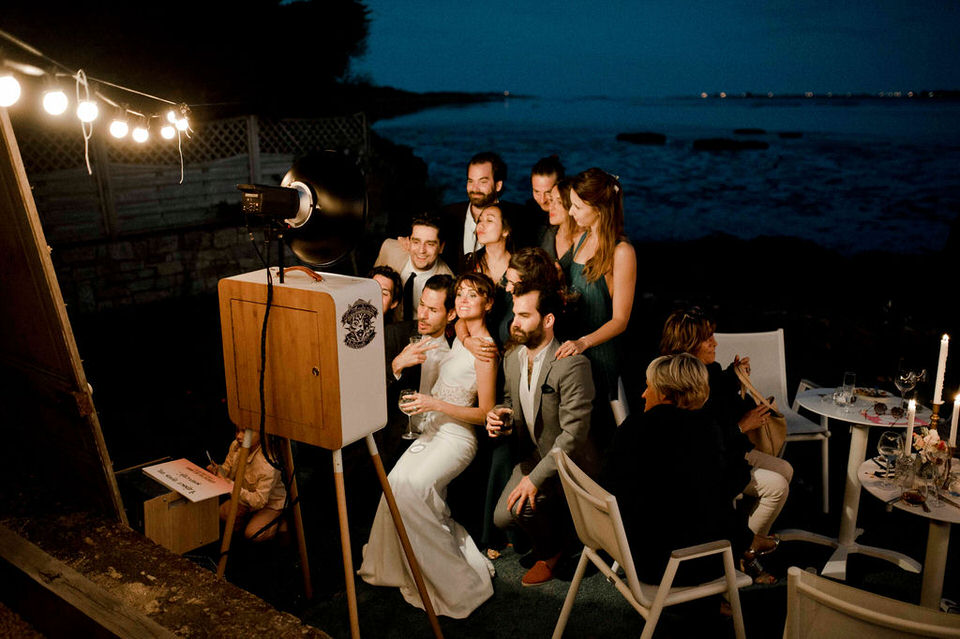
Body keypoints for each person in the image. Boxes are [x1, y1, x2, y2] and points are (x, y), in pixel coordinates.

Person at [359, 272, 499, 619]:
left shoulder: (485, 349)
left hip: (458, 437)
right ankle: (391, 567)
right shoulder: (464, 336)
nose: (464, 300)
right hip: (431, 432)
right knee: (395, 486)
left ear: (488, 303)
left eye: (472, 295)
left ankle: (460, 586)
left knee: (415, 488)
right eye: (461, 295)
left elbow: (485, 412)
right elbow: (463, 330)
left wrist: (433, 404)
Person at [660, 307, 791, 582]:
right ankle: (740, 556)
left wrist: (734, 375)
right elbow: (699, 443)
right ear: (690, 345)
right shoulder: (682, 388)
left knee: (785, 470)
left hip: (728, 450)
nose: (715, 343)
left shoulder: (707, 371)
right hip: (709, 465)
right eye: (708, 339)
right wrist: (742, 426)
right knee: (778, 486)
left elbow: (718, 401)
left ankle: (743, 537)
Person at [607, 354, 755, 586]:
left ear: (666, 393)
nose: (644, 394)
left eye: (648, 387)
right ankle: (751, 546)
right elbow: (724, 489)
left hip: (630, 549)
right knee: (725, 510)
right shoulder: (700, 431)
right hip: (672, 564)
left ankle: (751, 544)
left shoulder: (631, 427)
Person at [488, 280, 596, 586]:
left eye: (525, 315)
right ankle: (560, 535)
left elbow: (573, 436)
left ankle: (551, 554)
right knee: (501, 517)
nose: (515, 322)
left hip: (570, 465)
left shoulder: (573, 364)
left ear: (548, 320)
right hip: (532, 456)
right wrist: (497, 415)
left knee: (522, 504)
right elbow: (510, 402)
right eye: (515, 314)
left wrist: (534, 480)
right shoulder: (511, 358)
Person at [556, 168, 637, 435]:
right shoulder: (580, 239)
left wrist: (584, 342)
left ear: (599, 208)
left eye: (577, 206)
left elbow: (620, 320)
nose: (570, 212)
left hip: (599, 357)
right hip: (570, 351)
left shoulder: (621, 252)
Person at [380, 274, 456, 469]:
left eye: (432, 310)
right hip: (396, 438)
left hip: (440, 439)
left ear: (451, 315)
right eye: (422, 304)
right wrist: (396, 365)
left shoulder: (458, 346)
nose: (422, 314)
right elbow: (366, 391)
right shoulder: (395, 334)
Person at [436, 152, 519, 272]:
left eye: (483, 182)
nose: (475, 188)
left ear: (498, 185)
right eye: (470, 181)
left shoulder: (516, 219)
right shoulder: (447, 215)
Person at [207, 427, 286, 542]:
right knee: (222, 513)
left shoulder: (268, 463)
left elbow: (259, 501)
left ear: (261, 433)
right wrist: (219, 471)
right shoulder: (236, 445)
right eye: (237, 430)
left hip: (269, 504)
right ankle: (242, 535)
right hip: (245, 498)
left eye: (245, 431)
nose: (239, 436)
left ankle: (280, 522)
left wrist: (229, 485)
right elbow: (227, 469)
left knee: (253, 533)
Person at [375, 216, 454, 321]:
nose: (421, 250)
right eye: (416, 242)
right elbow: (370, 288)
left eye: (430, 244)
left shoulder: (448, 282)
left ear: (441, 247)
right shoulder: (389, 250)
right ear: (408, 242)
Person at [520, 155, 565, 250]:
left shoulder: (575, 215)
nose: (542, 200)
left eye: (548, 192)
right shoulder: (526, 215)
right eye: (536, 192)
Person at [539, 178, 579, 268]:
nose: (551, 207)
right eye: (552, 200)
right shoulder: (546, 235)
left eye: (559, 202)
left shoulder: (585, 241)